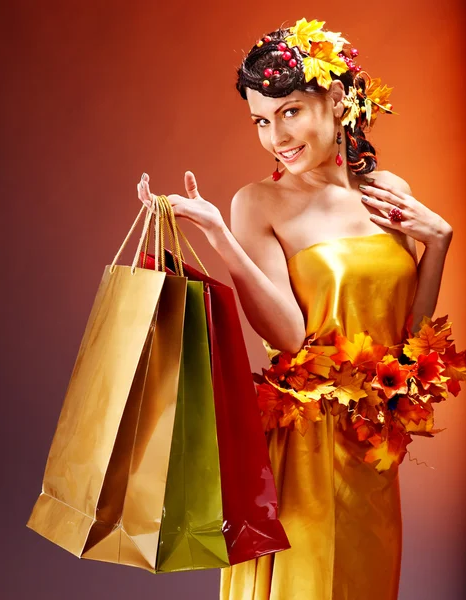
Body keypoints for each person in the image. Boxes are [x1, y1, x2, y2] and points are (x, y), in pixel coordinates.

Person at [137, 18, 453, 600]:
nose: (275, 136)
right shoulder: (259, 202)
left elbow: (412, 341)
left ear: (336, 100)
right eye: (261, 119)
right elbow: (288, 337)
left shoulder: (388, 190)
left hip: (373, 444)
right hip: (304, 445)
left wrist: (438, 245)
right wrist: (219, 236)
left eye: (290, 112)